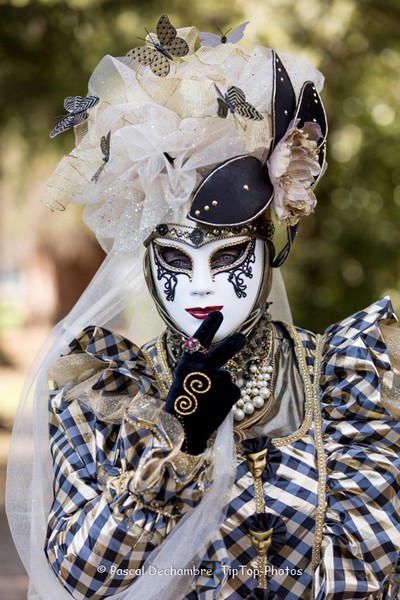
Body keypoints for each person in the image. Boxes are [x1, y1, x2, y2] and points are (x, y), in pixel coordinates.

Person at [6, 14, 400, 600]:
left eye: (227, 258)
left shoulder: (353, 377)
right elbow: (78, 577)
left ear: (270, 252)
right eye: (174, 261)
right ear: (146, 262)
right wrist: (181, 447)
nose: (199, 288)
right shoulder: (107, 390)